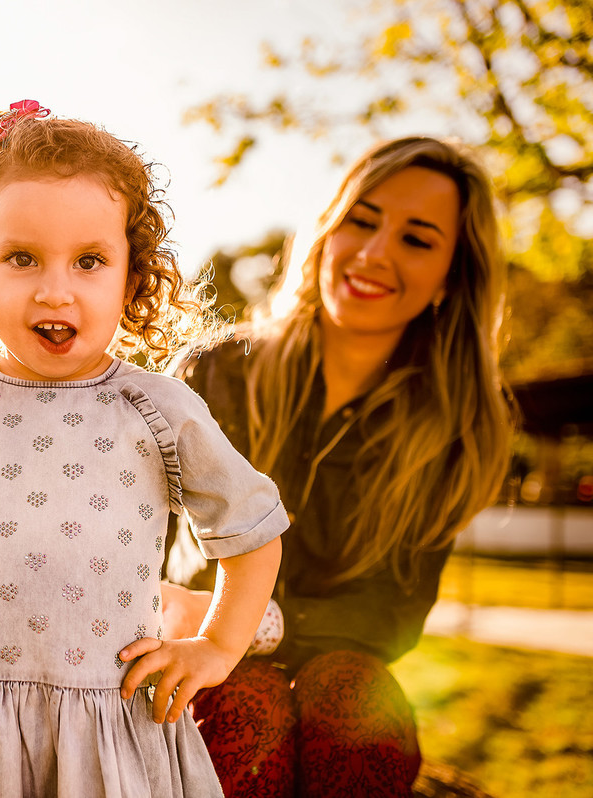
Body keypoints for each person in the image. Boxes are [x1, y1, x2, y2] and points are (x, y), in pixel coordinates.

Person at [0, 100, 288, 797]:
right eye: (22, 258)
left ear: (131, 279)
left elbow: (253, 529)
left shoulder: (158, 407)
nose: (57, 290)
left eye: (89, 261)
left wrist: (216, 646)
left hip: (118, 734)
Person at [164, 136, 514, 797]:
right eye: (362, 217)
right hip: (197, 657)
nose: (375, 253)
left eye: (417, 238)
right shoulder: (216, 372)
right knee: (246, 706)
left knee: (354, 702)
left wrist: (262, 625)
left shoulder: (455, 425)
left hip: (343, 675)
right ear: (327, 227)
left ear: (453, 273)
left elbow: (392, 613)